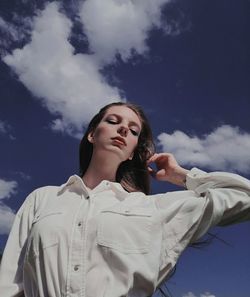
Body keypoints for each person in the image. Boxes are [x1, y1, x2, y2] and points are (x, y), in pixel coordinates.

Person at [0, 102, 250, 297]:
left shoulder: (152, 210)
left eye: (133, 131)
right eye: (113, 121)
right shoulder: (43, 199)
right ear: (91, 135)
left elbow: (245, 197)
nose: (123, 129)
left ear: (133, 152)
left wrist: (181, 176)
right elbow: (9, 286)